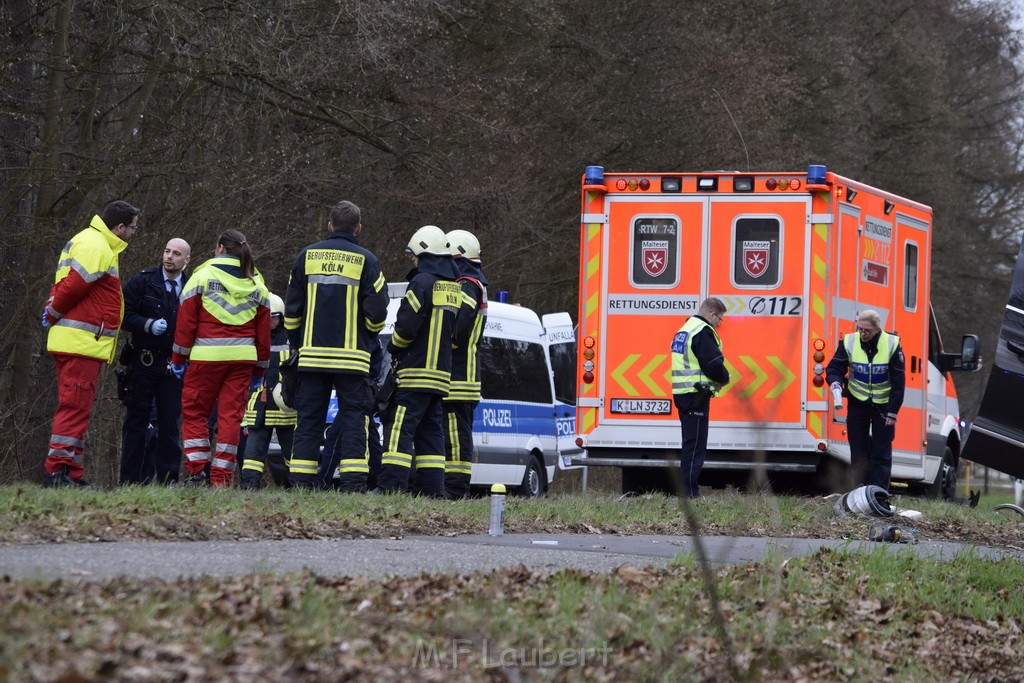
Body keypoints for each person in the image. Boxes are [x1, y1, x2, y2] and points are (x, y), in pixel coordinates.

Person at [284, 200, 389, 491]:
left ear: (329, 225)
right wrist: (366, 336)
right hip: (353, 359)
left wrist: (297, 343)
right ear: (358, 228)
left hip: (311, 357)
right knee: (355, 421)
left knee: (308, 421)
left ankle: (302, 484)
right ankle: (353, 485)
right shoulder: (367, 260)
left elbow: (292, 310)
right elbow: (378, 312)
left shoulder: (306, 256)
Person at [42, 199, 141, 487]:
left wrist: (52, 310)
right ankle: (58, 472)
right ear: (119, 227)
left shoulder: (92, 242)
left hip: (79, 342)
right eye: (132, 228)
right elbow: (73, 286)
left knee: (78, 407)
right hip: (80, 342)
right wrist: (54, 310)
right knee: (74, 407)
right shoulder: (96, 245)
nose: (134, 233)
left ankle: (71, 473)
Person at [171, 230, 271, 488]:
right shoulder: (257, 283)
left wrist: (178, 359)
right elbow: (263, 336)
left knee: (194, 412)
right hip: (242, 360)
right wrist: (260, 372)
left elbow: (185, 324)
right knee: (230, 419)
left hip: (206, 357)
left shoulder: (202, 277)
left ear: (219, 248)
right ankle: (221, 479)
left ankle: (197, 474)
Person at [375, 225, 461, 496]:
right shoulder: (453, 287)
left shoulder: (421, 282)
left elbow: (406, 325)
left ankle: (391, 487)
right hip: (440, 376)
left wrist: (395, 349)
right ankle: (432, 491)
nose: (412, 260)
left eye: (414, 255)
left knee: (400, 429)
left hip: (414, 372)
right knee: (431, 434)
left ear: (424, 253)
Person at [119, 238, 191, 485]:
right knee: (136, 422)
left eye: (176, 253)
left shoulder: (193, 286)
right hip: (144, 362)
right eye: (167, 251)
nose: (170, 256)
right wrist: (146, 325)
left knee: (170, 424)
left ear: (186, 260)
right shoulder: (144, 281)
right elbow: (121, 313)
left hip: (175, 365)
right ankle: (129, 482)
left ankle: (169, 481)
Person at [825, 309, 905, 490]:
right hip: (858, 403)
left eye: (867, 330)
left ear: (877, 329)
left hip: (883, 407)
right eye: (860, 329)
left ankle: (878, 494)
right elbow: (833, 368)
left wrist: (893, 411)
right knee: (858, 453)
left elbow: (899, 382)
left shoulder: (891, 345)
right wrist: (836, 383)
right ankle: (859, 493)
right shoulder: (849, 342)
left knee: (880, 454)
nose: (862, 333)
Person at [443, 229, 488, 499]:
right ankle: (451, 486)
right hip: (462, 374)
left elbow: (458, 330)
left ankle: (456, 489)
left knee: (457, 437)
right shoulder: (473, 281)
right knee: (453, 434)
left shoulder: (467, 284)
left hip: (459, 376)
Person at [670, 297, 730, 498]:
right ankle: (689, 494)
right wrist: (725, 377)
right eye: (720, 319)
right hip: (696, 395)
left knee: (689, 444)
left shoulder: (685, 328)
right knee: (695, 447)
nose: (719, 324)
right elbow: (713, 365)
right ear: (712, 314)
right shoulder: (702, 332)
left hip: (683, 393)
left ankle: (687, 490)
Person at [239, 293, 295, 490]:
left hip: (285, 408)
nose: (271, 321)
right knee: (253, 453)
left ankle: (298, 488)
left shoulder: (292, 338)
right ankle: (249, 485)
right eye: (267, 316)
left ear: (281, 317)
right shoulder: (252, 338)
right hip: (259, 406)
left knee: (292, 453)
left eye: (275, 316)